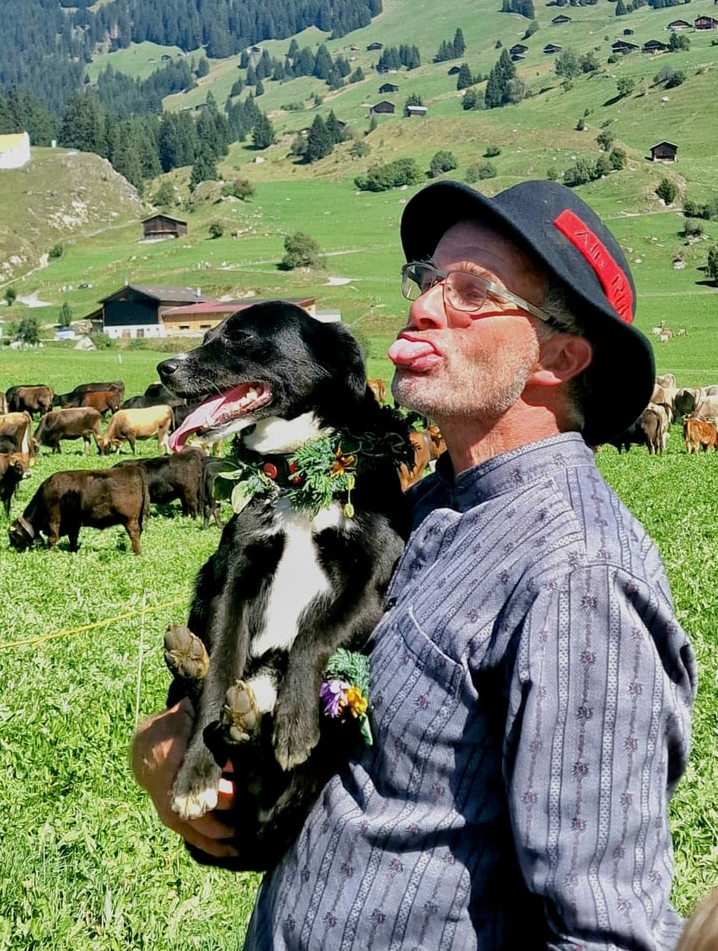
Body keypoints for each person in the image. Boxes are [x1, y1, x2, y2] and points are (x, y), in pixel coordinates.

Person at [131, 179, 697, 949]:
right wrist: (164, 747)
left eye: (472, 291)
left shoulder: (579, 579)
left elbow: (605, 932)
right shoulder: (420, 503)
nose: (424, 304)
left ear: (560, 356)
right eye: (428, 280)